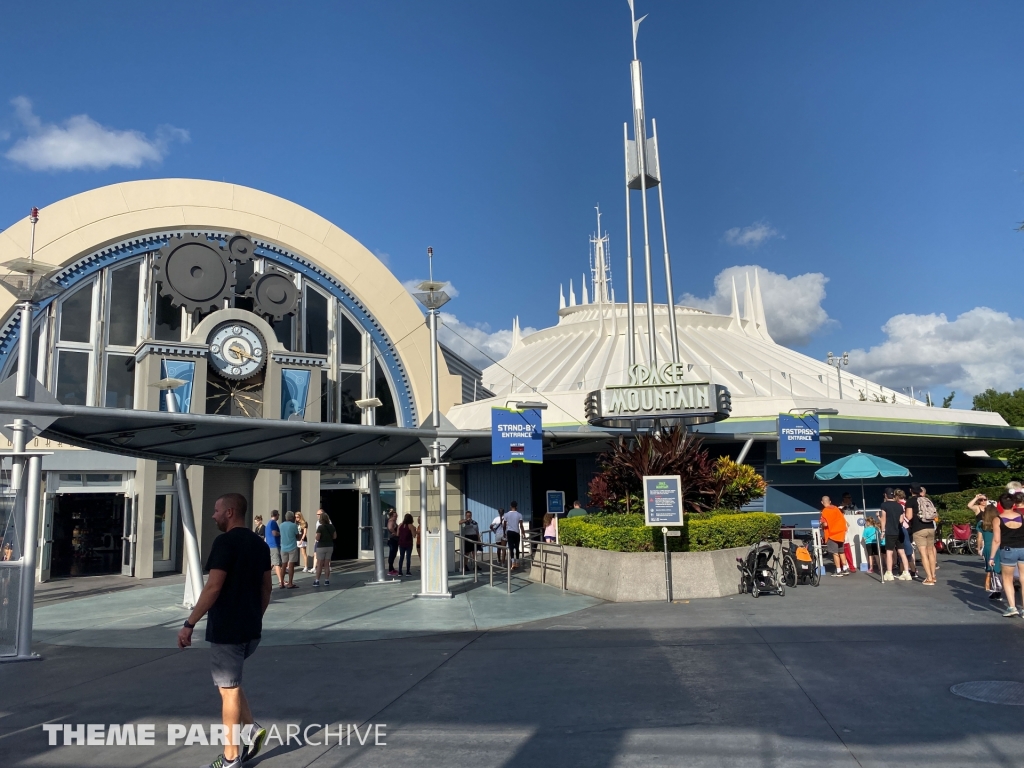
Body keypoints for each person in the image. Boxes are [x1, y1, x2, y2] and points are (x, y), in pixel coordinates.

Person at [177, 493, 270, 768]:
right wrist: (255, 616)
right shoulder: (259, 544)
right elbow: (267, 588)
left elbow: (213, 587)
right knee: (231, 684)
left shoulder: (224, 543)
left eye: (217, 511)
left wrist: (189, 623)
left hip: (227, 630)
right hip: (251, 631)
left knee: (228, 690)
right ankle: (251, 730)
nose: (213, 515)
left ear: (230, 512)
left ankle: (231, 758)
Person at [991, 492, 1024, 616]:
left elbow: (996, 540)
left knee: (1007, 579)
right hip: (1023, 549)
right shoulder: (1022, 517)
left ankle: (1012, 607)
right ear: (1014, 504)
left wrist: (992, 556)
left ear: (1000, 504)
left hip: (1008, 551)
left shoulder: (998, 519)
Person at [907, 484, 938, 585]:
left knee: (923, 553)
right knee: (931, 552)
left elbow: (909, 516)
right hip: (930, 527)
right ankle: (933, 576)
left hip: (919, 529)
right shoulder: (926, 499)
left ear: (910, 490)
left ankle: (929, 578)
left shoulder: (911, 501)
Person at [880, 488, 912, 581]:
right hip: (899, 531)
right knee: (902, 552)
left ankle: (889, 573)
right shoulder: (899, 506)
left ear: (886, 495)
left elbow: (883, 519)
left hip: (890, 531)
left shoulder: (884, 505)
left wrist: (883, 531)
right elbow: (901, 520)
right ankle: (906, 572)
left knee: (889, 552)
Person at [977, 502, 1003, 600]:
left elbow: (979, 538)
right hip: (1000, 546)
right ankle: (1000, 589)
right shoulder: (998, 522)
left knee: (992, 570)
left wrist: (979, 548)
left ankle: (996, 589)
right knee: (1001, 568)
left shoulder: (981, 524)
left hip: (988, 547)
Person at [819, 496, 850, 576]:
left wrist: (821, 524)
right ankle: (845, 568)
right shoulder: (836, 509)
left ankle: (838, 570)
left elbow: (825, 524)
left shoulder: (824, 511)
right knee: (841, 552)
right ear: (830, 501)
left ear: (822, 502)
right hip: (840, 534)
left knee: (835, 553)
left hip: (832, 535)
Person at [894, 489, 918, 579]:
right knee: (909, 549)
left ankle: (903, 571)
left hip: (902, 527)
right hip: (909, 527)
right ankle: (913, 570)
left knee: (901, 550)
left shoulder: (898, 505)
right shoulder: (907, 503)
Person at [313, 511, 336, 587]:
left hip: (321, 546)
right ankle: (327, 580)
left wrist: (317, 537)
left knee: (319, 564)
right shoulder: (332, 527)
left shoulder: (320, 527)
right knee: (327, 564)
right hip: (329, 546)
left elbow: (318, 538)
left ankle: (317, 580)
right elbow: (335, 536)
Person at [279, 511, 300, 588]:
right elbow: (297, 535)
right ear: (292, 517)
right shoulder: (293, 525)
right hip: (292, 547)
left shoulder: (281, 525)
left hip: (283, 547)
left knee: (283, 565)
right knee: (291, 566)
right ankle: (290, 583)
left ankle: (281, 583)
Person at [265, 510, 284, 588]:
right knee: (277, 563)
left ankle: (263, 579)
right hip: (274, 545)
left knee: (272, 563)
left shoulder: (268, 523)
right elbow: (274, 533)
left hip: (269, 545)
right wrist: (281, 533)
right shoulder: (273, 523)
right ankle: (280, 581)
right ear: (277, 515)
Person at [504, 501, 526, 568]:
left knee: (511, 547)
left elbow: (504, 525)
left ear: (510, 506)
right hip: (516, 532)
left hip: (509, 532)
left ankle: (513, 562)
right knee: (517, 547)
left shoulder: (506, 514)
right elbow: (521, 525)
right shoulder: (519, 515)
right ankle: (517, 562)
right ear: (517, 506)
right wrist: (523, 533)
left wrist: (504, 533)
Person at [386, 509, 400, 576]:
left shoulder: (394, 521)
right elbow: (390, 528)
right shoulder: (391, 521)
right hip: (392, 540)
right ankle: (390, 570)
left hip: (395, 540)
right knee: (392, 554)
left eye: (396, 516)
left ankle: (392, 568)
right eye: (395, 516)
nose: (396, 517)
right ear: (392, 516)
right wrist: (395, 533)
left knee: (393, 554)